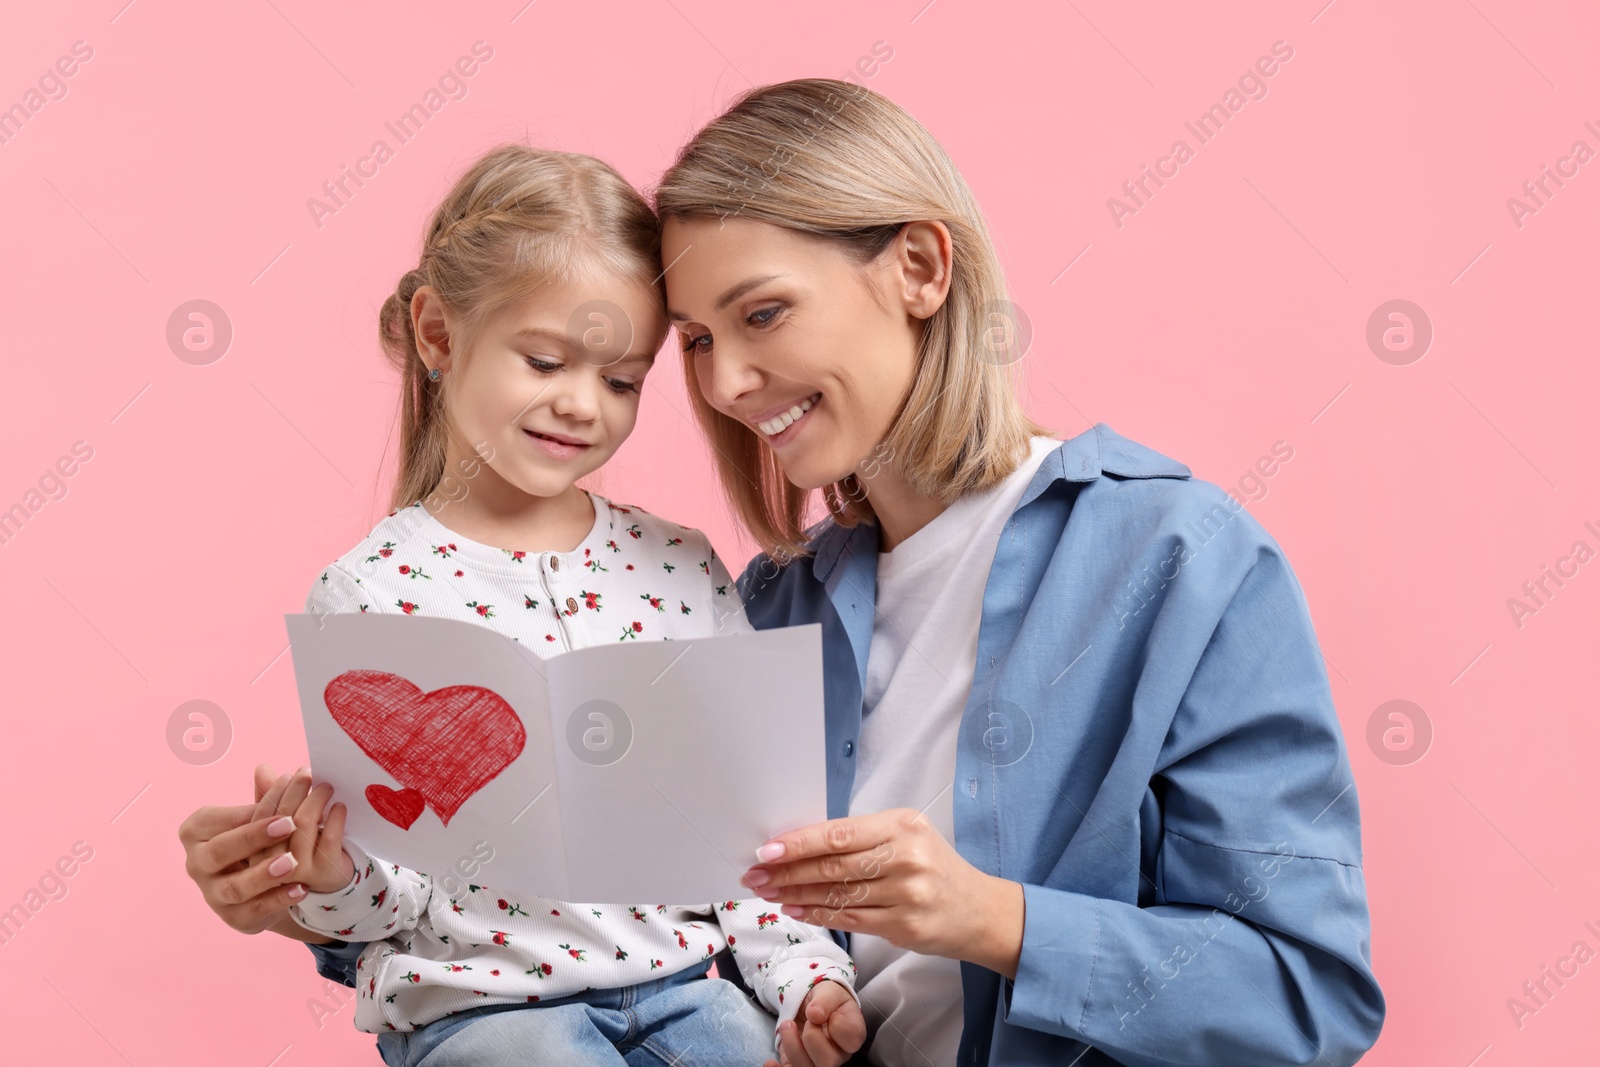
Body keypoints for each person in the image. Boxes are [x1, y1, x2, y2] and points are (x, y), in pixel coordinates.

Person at [647, 78, 1387, 1066]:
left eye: (763, 313)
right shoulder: (767, 609)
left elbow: (1306, 996)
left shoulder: (1178, 558)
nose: (725, 381)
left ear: (917, 267)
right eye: (696, 339)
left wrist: (995, 918)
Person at [177, 143, 864, 1067]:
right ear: (438, 334)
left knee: (740, 1043)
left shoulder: (678, 566)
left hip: (684, 994)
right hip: (485, 1016)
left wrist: (807, 980)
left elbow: (746, 829)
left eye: (622, 380)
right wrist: (326, 872)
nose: (584, 405)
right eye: (545, 360)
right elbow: (393, 900)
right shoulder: (372, 590)